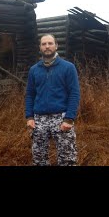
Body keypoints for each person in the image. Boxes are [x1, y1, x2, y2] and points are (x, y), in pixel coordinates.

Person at [25, 34, 81, 166]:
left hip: (61, 118)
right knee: (39, 159)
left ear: (56, 46)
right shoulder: (34, 70)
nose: (47, 46)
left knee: (67, 159)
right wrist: (29, 117)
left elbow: (74, 93)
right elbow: (30, 95)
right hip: (39, 120)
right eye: (44, 44)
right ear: (40, 47)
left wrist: (69, 118)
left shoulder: (68, 67)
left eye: (50, 43)